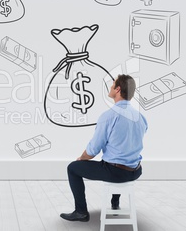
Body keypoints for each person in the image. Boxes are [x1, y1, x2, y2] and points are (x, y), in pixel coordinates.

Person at [60, 74, 148, 222]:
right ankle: (115, 203)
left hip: (115, 172)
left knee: (73, 168)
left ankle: (81, 212)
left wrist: (81, 158)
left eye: (112, 85)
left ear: (118, 89)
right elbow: (130, 142)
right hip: (135, 170)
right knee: (118, 157)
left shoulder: (109, 116)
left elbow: (93, 149)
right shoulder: (140, 117)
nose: (110, 87)